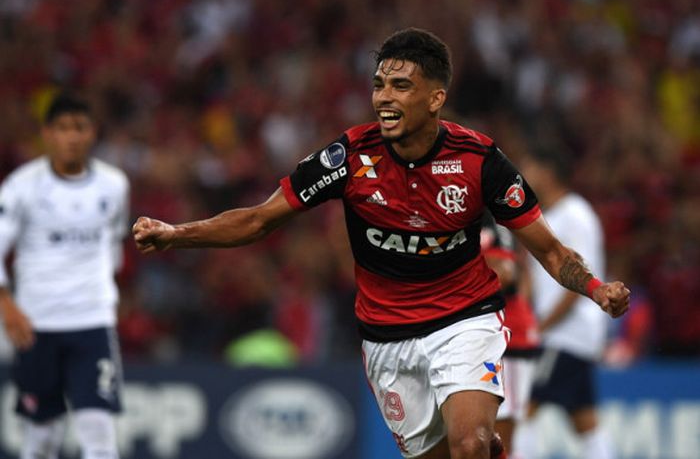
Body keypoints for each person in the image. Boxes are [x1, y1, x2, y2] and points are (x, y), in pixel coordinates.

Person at [132, 28, 630, 459]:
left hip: (465, 319)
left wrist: (594, 287)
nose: (383, 98)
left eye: (400, 85)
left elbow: (549, 250)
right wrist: (179, 234)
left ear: (435, 98)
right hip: (387, 338)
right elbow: (260, 221)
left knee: (473, 442)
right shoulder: (347, 157)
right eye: (378, 85)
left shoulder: (480, 161)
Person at [0, 93, 130, 459]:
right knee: (42, 440)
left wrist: (107, 293)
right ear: (47, 134)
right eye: (63, 128)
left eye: (80, 128)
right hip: (36, 324)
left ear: (93, 133)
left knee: (100, 438)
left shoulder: (114, 185)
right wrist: (6, 305)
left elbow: (114, 245)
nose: (72, 137)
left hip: (92, 322)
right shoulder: (21, 187)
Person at [516, 148, 615, 459]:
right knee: (584, 420)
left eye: (530, 165)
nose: (525, 173)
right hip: (564, 334)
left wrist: (541, 326)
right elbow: (534, 278)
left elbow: (579, 280)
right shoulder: (547, 217)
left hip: (566, 334)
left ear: (548, 171)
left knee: (523, 407)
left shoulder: (576, 214)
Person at [480, 213, 540, 457]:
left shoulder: (487, 225)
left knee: (501, 435)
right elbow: (523, 272)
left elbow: (505, 273)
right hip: (494, 335)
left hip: (509, 341)